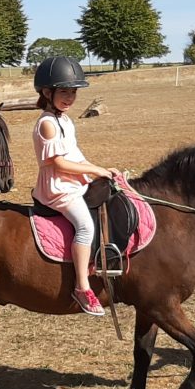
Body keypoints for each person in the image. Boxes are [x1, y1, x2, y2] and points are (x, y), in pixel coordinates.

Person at [32, 57, 118, 316]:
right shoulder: (47, 123)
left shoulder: (65, 120)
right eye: (64, 92)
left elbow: (76, 156)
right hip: (57, 188)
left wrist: (102, 170)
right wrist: (93, 171)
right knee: (84, 226)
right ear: (47, 93)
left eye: (73, 92)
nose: (70, 98)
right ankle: (81, 286)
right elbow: (58, 163)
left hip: (72, 183)